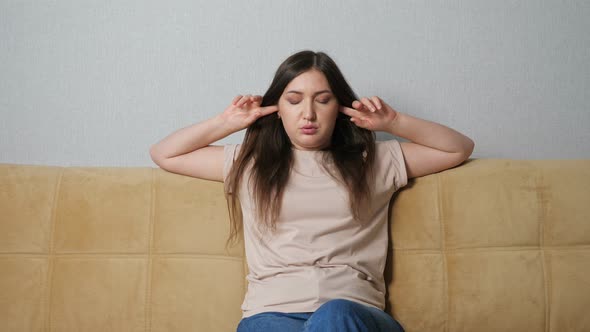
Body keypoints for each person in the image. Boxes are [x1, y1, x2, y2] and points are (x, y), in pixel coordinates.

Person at [150, 50, 474, 332]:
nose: (308, 113)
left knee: (334, 316)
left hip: (353, 318)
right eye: (294, 101)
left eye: (323, 100)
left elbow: (457, 149)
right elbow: (165, 153)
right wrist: (228, 122)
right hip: (271, 315)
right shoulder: (250, 164)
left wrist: (394, 122)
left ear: (340, 107)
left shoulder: (373, 160)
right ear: (277, 108)